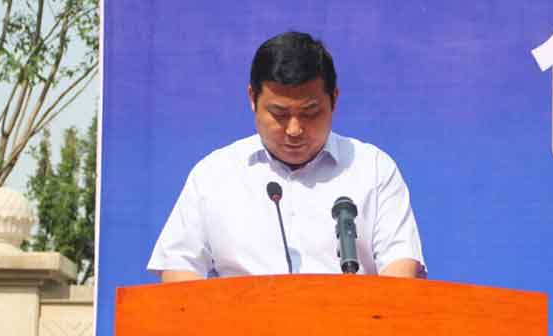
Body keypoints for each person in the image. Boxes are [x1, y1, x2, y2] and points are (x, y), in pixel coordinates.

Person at [148, 31, 425, 281]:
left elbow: (400, 268)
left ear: (335, 99)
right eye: (279, 114)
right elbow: (178, 268)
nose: (294, 130)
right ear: (252, 98)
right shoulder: (213, 175)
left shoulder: (372, 168)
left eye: (310, 112)